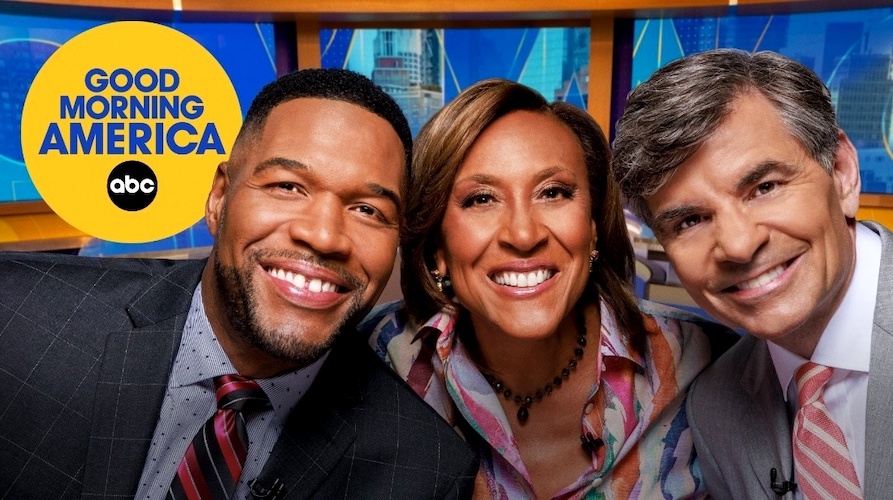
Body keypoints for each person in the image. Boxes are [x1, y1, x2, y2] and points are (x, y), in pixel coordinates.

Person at [0, 68, 477, 499]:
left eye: (368, 210)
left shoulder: (426, 471)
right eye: (287, 187)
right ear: (219, 198)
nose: (324, 235)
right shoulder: (16, 321)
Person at [360, 78, 730, 499]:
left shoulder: (706, 365)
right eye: (481, 199)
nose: (523, 234)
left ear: (593, 228)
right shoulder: (373, 362)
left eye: (553, 192)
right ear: (437, 248)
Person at [613, 48, 893, 499]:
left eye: (765, 188)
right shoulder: (714, 410)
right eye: (690, 221)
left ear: (842, 173)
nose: (739, 245)